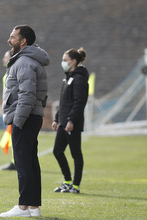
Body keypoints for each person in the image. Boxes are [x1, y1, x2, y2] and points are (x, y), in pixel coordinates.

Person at [0, 25, 49, 218]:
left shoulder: (24, 62)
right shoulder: (28, 60)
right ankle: (33, 207)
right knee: (30, 162)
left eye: (12, 37)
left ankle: (23, 207)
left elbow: (27, 94)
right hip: (31, 117)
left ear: (23, 41)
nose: (8, 40)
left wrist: (18, 120)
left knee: (23, 163)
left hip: (24, 118)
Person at [52, 47, 89, 194]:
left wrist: (71, 120)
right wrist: (56, 118)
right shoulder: (67, 77)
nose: (63, 63)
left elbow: (79, 102)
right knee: (57, 151)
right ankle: (67, 181)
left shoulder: (80, 79)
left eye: (65, 60)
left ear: (73, 61)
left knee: (75, 153)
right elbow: (63, 102)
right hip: (63, 122)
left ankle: (76, 185)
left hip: (71, 123)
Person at [0, 50, 16, 170]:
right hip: (8, 109)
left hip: (12, 110)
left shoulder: (12, 72)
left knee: (14, 137)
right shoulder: (7, 72)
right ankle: (14, 160)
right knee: (12, 137)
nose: (3, 59)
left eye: (5, 57)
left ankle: (15, 162)